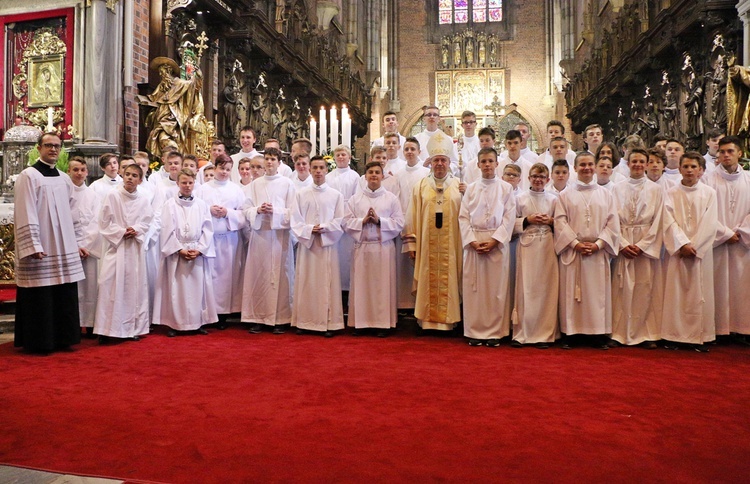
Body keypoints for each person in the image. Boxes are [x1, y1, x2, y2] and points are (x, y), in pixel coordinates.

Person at [14, 133, 86, 354]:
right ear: (38, 148)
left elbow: (71, 212)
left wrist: (76, 240)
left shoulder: (64, 178)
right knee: (40, 294)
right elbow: (25, 211)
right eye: (48, 145)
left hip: (63, 246)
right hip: (43, 246)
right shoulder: (29, 176)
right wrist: (33, 244)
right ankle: (39, 341)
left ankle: (63, 338)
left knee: (63, 290)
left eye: (57, 146)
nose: (53, 149)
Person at [554, 151, 620, 349]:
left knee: (596, 295)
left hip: (597, 251)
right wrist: (575, 243)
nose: (586, 168)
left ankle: (597, 334)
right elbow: (559, 221)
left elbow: (612, 222)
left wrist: (599, 244)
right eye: (582, 165)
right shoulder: (565, 195)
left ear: (595, 166)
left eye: (590, 164)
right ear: (574, 168)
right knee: (572, 295)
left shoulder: (606, 194)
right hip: (574, 251)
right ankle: (571, 334)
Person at [406, 132, 465, 333]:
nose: (439, 164)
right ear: (430, 162)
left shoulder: (459, 186)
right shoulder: (420, 186)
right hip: (426, 244)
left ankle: (450, 320)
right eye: (436, 160)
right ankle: (427, 321)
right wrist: (411, 244)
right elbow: (412, 216)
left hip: (452, 245)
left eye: (443, 160)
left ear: (449, 163)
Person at [459, 147, 516, 347]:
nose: (487, 165)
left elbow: (509, 218)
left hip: (496, 243)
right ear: (478, 164)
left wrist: (495, 240)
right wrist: (472, 241)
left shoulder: (506, 189)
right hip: (474, 241)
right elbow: (463, 217)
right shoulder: (471, 189)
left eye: (490, 161)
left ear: (497, 163)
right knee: (475, 290)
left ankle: (495, 332)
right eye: (483, 161)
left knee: (495, 290)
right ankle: (474, 331)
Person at [661, 152, 717, 351]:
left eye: (694, 167)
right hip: (678, 252)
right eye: (686, 167)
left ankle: (700, 336)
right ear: (679, 169)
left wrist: (696, 246)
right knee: (676, 293)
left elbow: (711, 223)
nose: (690, 170)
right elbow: (667, 221)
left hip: (699, 253)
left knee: (699, 294)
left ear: (701, 170)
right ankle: (674, 335)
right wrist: (682, 244)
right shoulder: (670, 193)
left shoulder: (709, 193)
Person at [153, 169, 217, 336]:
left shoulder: (202, 205)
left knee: (198, 289)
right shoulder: (169, 205)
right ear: (177, 184)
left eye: (190, 183)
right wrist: (179, 249)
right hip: (177, 252)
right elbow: (166, 229)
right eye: (184, 183)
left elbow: (208, 229)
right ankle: (176, 324)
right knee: (178, 290)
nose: (187, 186)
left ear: (194, 183)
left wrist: (200, 249)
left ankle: (198, 322)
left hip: (196, 249)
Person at [610, 149, 664, 348]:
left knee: (645, 288)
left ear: (647, 164)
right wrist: (623, 244)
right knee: (621, 289)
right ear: (628, 163)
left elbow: (658, 220)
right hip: (623, 240)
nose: (638, 165)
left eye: (642, 161)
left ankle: (646, 334)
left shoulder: (656, 189)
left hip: (645, 244)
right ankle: (619, 332)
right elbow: (611, 218)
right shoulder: (617, 187)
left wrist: (642, 245)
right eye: (634, 161)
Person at [94, 164, 154, 342]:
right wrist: (121, 232)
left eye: (134, 175)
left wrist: (135, 229)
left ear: (140, 180)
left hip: (134, 249)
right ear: (122, 175)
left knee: (133, 289)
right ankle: (106, 330)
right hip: (117, 248)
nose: (129, 178)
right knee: (110, 286)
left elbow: (147, 220)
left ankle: (130, 329)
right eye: (127, 174)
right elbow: (103, 221)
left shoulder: (143, 199)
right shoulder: (112, 195)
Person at [343, 161, 404, 336]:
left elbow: (399, 222)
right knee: (361, 286)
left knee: (381, 287)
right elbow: (346, 222)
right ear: (366, 176)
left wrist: (379, 221)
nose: (374, 175)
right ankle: (360, 323)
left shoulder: (391, 198)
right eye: (370, 172)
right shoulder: (356, 199)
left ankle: (382, 324)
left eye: (377, 172)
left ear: (382, 176)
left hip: (382, 247)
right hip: (362, 247)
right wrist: (362, 221)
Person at [242, 147, 296, 334]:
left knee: (282, 277)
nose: (270, 162)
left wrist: (276, 212)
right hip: (261, 236)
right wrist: (258, 210)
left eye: (273, 159)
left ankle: (281, 319)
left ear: (279, 162)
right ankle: (258, 317)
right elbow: (246, 209)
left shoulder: (287, 184)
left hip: (280, 237)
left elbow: (293, 212)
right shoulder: (255, 184)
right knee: (259, 275)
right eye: (267, 158)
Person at [292, 156, 346, 337]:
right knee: (306, 281)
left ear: (326, 170)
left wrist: (323, 228)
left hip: (326, 245)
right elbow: (295, 220)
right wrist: (308, 229)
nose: (317, 171)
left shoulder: (336, 195)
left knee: (327, 283)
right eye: (314, 167)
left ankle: (329, 323)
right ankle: (304, 321)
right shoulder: (300, 194)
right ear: (309, 170)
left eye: (321, 168)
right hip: (308, 246)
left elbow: (340, 221)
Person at [704, 136, 750, 342]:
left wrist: (742, 231)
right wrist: (725, 233)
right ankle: (719, 329)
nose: (726, 155)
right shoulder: (707, 179)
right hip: (718, 243)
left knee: (743, 285)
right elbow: (703, 212)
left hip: (743, 242)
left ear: (740, 153)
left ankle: (742, 329)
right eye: (722, 152)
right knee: (717, 284)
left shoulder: (749, 179)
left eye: (730, 151)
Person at [512, 163, 559, 348]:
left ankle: (544, 334)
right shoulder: (520, 199)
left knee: (545, 290)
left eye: (542, 177)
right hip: (527, 247)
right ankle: (523, 333)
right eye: (534, 176)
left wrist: (551, 221)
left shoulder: (554, 200)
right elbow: (511, 223)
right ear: (528, 178)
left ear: (548, 180)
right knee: (526, 289)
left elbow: (562, 223)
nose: (538, 180)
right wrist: (527, 220)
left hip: (547, 247)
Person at [199, 154, 246, 329]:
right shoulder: (203, 189)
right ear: (215, 167)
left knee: (227, 276)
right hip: (209, 239)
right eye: (221, 168)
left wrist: (228, 213)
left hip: (229, 239)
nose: (224, 172)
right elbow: (196, 208)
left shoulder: (236, 190)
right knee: (209, 275)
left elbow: (243, 214)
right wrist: (208, 209)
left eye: (228, 169)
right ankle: (208, 312)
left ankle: (224, 314)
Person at [395, 137, 430, 311]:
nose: (409, 152)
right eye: (407, 149)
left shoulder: (425, 173)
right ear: (403, 152)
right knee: (402, 266)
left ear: (419, 152)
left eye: (412, 149)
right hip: (401, 222)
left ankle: (418, 303)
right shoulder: (399, 174)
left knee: (418, 263)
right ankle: (403, 304)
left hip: (419, 221)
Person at [67, 157, 100, 338]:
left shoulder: (93, 195)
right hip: (70, 247)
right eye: (75, 170)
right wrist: (75, 246)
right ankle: (73, 324)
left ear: (87, 172)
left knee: (90, 286)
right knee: (74, 288)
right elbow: (62, 222)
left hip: (90, 248)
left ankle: (89, 323)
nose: (79, 173)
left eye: (82, 170)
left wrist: (86, 245)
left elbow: (97, 221)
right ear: (69, 172)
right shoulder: (64, 193)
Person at [326, 145, 360, 294]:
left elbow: (356, 199)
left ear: (349, 157)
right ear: (334, 157)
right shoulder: (329, 176)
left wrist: (347, 218)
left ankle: (347, 291)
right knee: (335, 255)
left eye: (343, 155)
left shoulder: (355, 176)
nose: (340, 157)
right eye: (338, 155)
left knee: (347, 256)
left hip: (348, 217)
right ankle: (334, 290)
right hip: (333, 216)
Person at [415, 105, 459, 172]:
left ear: (439, 119)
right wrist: (423, 165)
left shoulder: (448, 139)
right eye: (429, 115)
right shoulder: (416, 139)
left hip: (442, 177)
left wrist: (444, 167)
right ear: (424, 119)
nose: (432, 117)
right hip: (423, 176)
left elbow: (455, 162)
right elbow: (411, 162)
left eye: (435, 115)